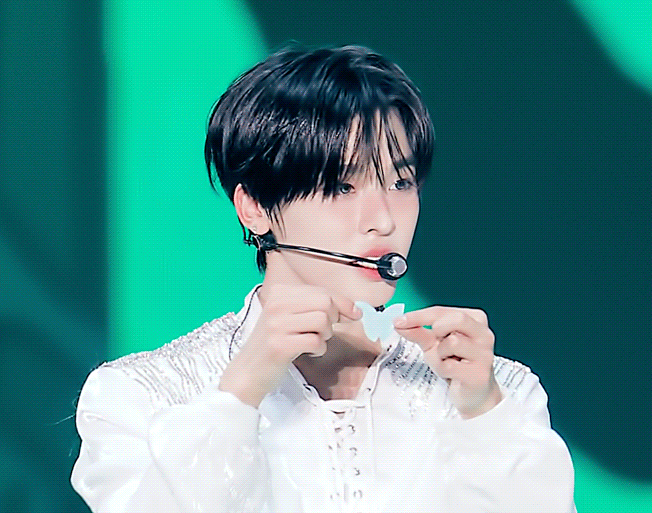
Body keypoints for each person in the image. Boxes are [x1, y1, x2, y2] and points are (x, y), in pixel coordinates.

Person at [71, 45, 576, 513]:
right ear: (254, 207)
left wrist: (483, 413)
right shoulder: (140, 395)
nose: (383, 221)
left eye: (401, 182)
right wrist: (241, 391)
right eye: (341, 186)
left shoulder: (498, 389)